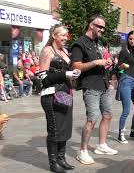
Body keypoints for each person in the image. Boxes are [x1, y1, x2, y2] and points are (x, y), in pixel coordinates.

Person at [71, 15, 118, 165]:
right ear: (91, 25)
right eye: (100, 27)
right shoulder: (79, 43)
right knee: (92, 118)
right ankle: (82, 151)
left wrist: (107, 62)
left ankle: (101, 145)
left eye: (103, 27)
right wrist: (95, 62)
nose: (102, 30)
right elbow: (76, 66)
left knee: (108, 115)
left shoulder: (97, 42)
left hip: (103, 84)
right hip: (90, 85)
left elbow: (100, 62)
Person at [39, 24, 81, 173]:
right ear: (54, 36)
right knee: (55, 130)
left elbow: (66, 72)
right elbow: (43, 79)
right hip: (51, 95)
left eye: (66, 35)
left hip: (65, 93)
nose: (65, 37)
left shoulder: (64, 51)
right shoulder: (47, 51)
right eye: (62, 35)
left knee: (65, 128)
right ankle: (53, 163)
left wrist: (74, 73)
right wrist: (65, 75)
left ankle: (61, 159)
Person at [117, 30, 134, 144]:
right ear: (127, 39)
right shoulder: (124, 51)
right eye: (130, 39)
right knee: (127, 109)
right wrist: (121, 66)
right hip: (126, 81)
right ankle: (120, 134)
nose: (132, 41)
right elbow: (118, 68)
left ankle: (133, 130)